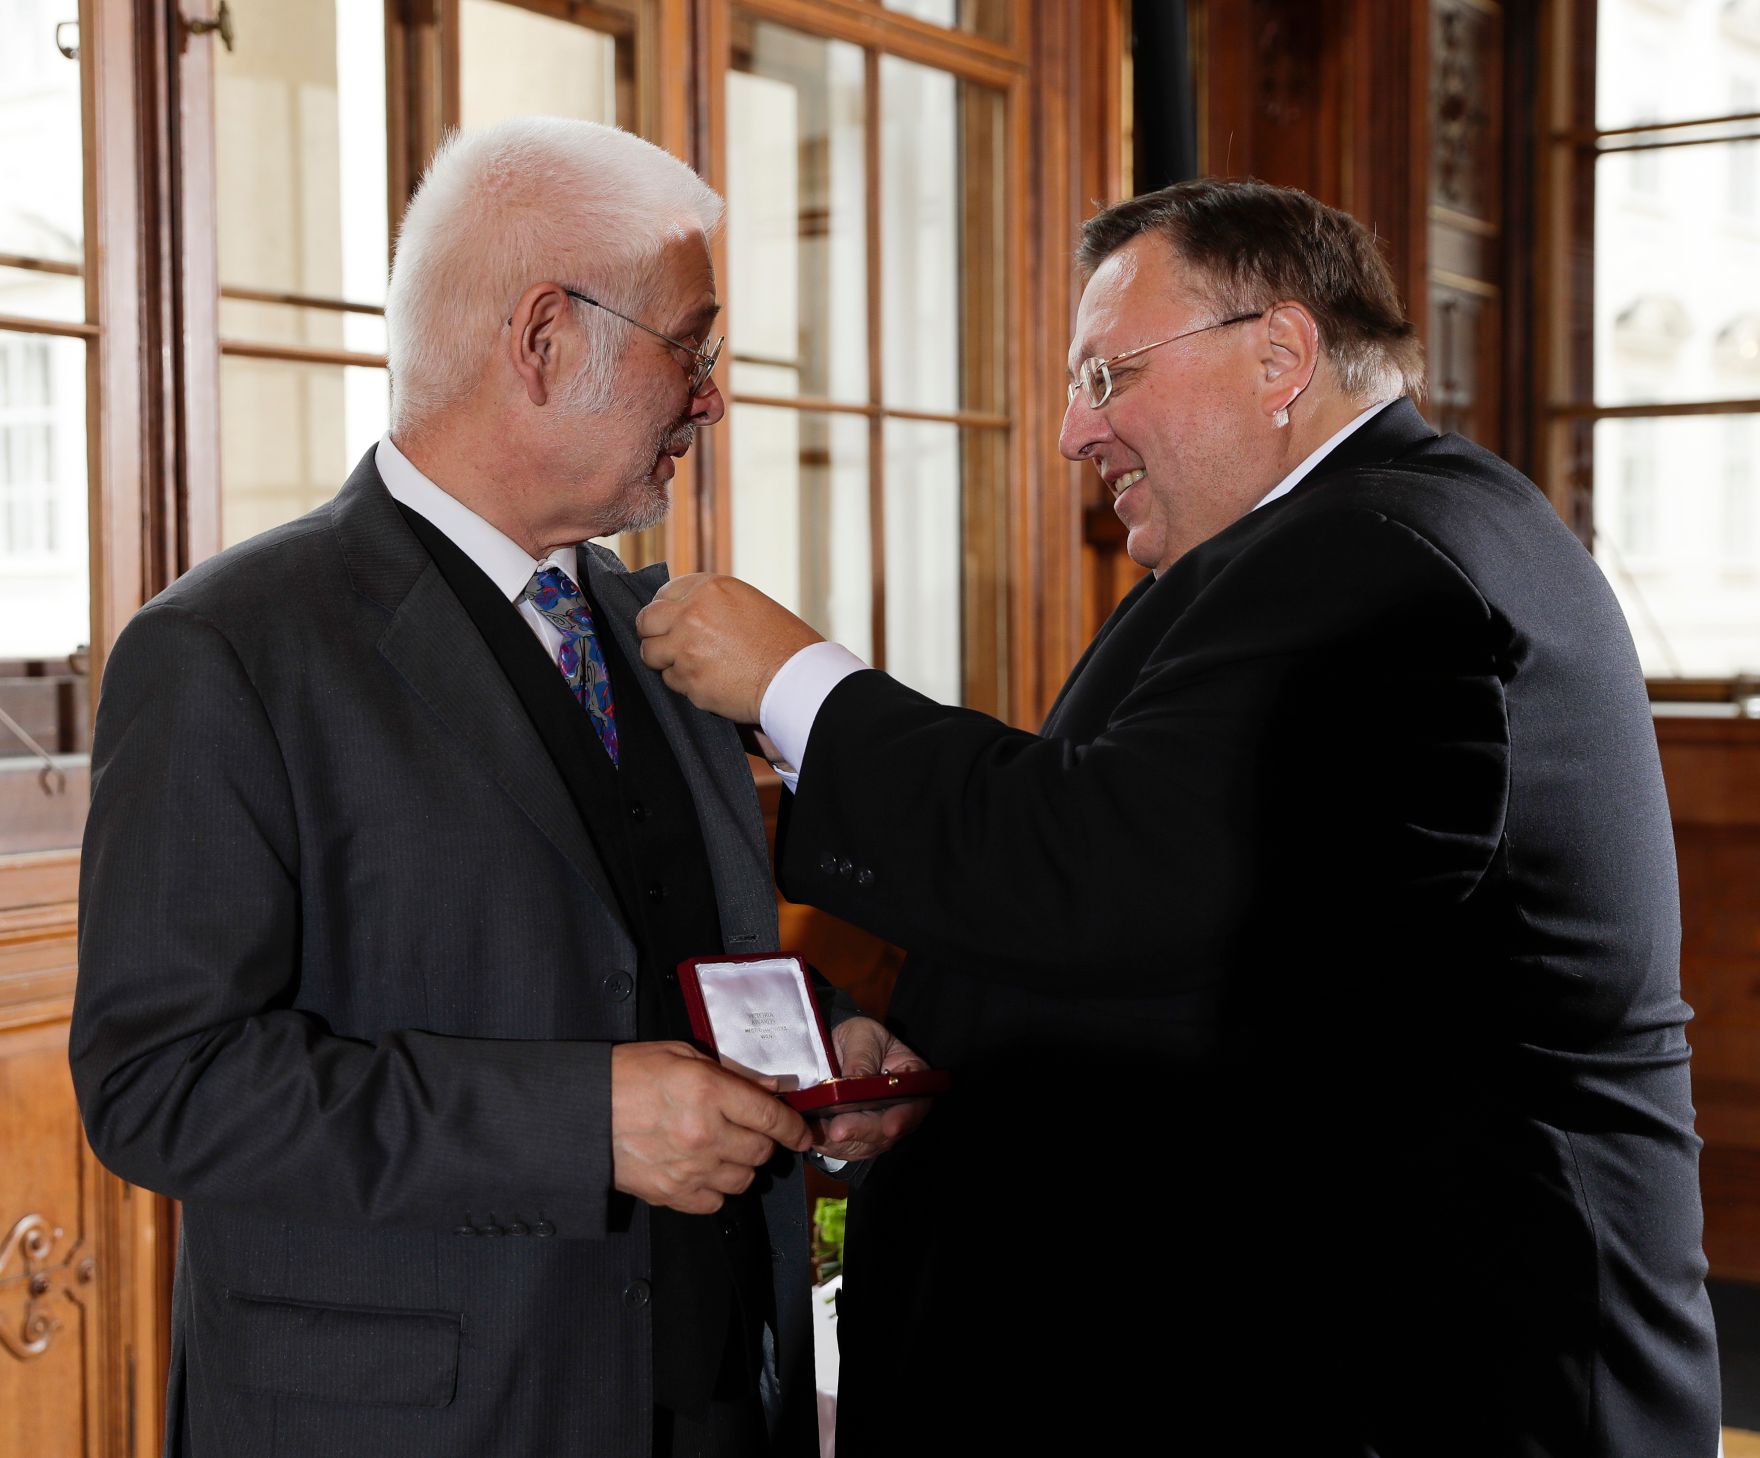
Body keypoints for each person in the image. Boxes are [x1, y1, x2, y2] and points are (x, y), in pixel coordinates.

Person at [635, 179, 1724, 1455]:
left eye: (1103, 378)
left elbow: (1103, 865)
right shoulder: (1312, 546)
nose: (1066, 435)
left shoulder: (1381, 558)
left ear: (1278, 356)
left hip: (1415, 1385)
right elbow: (1226, 948)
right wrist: (934, 1067)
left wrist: (795, 683)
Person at [70, 117, 921, 1458]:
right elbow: (162, 1084)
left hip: (721, 1398)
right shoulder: (225, 648)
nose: (711, 396)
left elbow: (616, 945)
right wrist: (577, 1123)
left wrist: (814, 1051)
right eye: (691, 349)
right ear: (539, 338)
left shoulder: (662, 629)